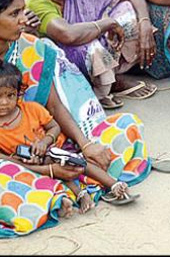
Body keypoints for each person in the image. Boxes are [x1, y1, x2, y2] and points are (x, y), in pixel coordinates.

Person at [0, 0, 156, 236]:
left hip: (46, 143)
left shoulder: (30, 47)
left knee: (124, 128)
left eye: (22, 11)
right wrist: (40, 167)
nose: (23, 19)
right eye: (14, 13)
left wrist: (85, 144)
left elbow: (54, 106)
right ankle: (53, 185)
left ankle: (57, 187)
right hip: (7, 156)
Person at [26, 0, 159, 109]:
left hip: (89, 42)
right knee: (91, 46)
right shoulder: (37, 2)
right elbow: (68, 35)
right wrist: (107, 23)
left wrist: (145, 23)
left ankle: (113, 73)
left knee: (127, 10)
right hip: (61, 61)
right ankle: (102, 89)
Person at [0, 63, 138, 212]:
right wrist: (22, 161)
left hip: (58, 148)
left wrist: (44, 142)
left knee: (77, 163)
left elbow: (54, 127)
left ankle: (113, 184)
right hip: (34, 163)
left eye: (10, 95)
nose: (4, 102)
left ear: (19, 93)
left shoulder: (32, 109)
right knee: (47, 174)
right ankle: (79, 194)